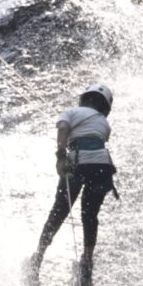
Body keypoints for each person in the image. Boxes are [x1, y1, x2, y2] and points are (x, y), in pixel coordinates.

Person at [36, 81, 116, 260]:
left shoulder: (71, 111)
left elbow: (63, 128)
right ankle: (87, 258)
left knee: (60, 210)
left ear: (84, 99)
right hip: (102, 165)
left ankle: (39, 255)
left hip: (77, 162)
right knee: (90, 213)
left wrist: (60, 156)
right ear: (106, 107)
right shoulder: (104, 123)